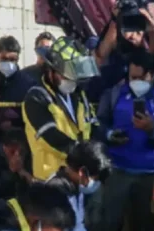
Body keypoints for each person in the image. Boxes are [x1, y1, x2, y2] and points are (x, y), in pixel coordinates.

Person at [93, 48, 154, 231]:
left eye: (141, 78)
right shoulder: (113, 94)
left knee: (143, 228)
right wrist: (110, 134)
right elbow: (97, 124)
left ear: (151, 75)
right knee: (107, 225)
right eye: (132, 77)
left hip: (150, 176)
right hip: (117, 172)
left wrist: (153, 130)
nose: (136, 82)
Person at [24, 36, 99, 180]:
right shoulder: (36, 98)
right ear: (51, 71)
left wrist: (107, 136)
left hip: (80, 176)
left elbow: (92, 125)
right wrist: (84, 154)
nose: (72, 80)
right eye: (67, 76)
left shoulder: (78, 95)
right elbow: (51, 136)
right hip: (51, 181)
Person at [0, 128, 34, 200]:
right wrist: (11, 171)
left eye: (21, 151)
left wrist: (22, 171)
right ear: (5, 147)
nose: (17, 155)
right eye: (12, 151)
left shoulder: (27, 156)